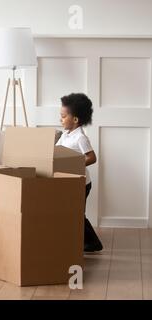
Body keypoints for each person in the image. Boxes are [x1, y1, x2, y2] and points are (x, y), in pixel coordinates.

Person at [56, 93, 103, 252]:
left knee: (77, 214)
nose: (60, 119)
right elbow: (57, 151)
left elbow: (92, 157)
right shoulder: (65, 135)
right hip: (70, 180)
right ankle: (83, 241)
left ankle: (93, 243)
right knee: (72, 213)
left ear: (75, 120)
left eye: (63, 116)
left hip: (82, 183)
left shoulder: (80, 138)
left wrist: (73, 163)